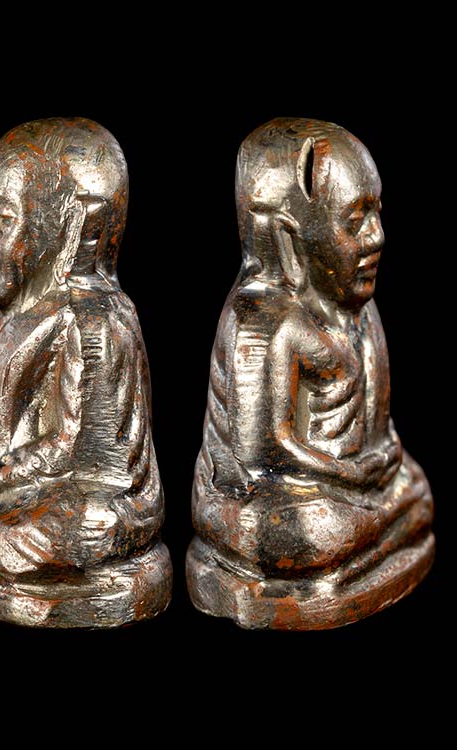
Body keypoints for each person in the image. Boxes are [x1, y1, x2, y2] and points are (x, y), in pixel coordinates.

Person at [0, 119, 171, 625]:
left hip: (72, 497)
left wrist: (6, 477)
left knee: (41, 536)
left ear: (66, 226)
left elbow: (93, 461)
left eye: (4, 218)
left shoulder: (96, 322)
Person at [188, 118, 433, 628]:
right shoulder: (261, 323)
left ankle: (352, 553)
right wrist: (348, 475)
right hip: (267, 500)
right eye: (354, 222)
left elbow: (376, 426)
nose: (377, 237)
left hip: (349, 489)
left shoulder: (361, 312)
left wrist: (381, 460)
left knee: (414, 488)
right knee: (299, 531)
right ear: (286, 236)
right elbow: (261, 455)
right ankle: (348, 553)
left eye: (377, 214)